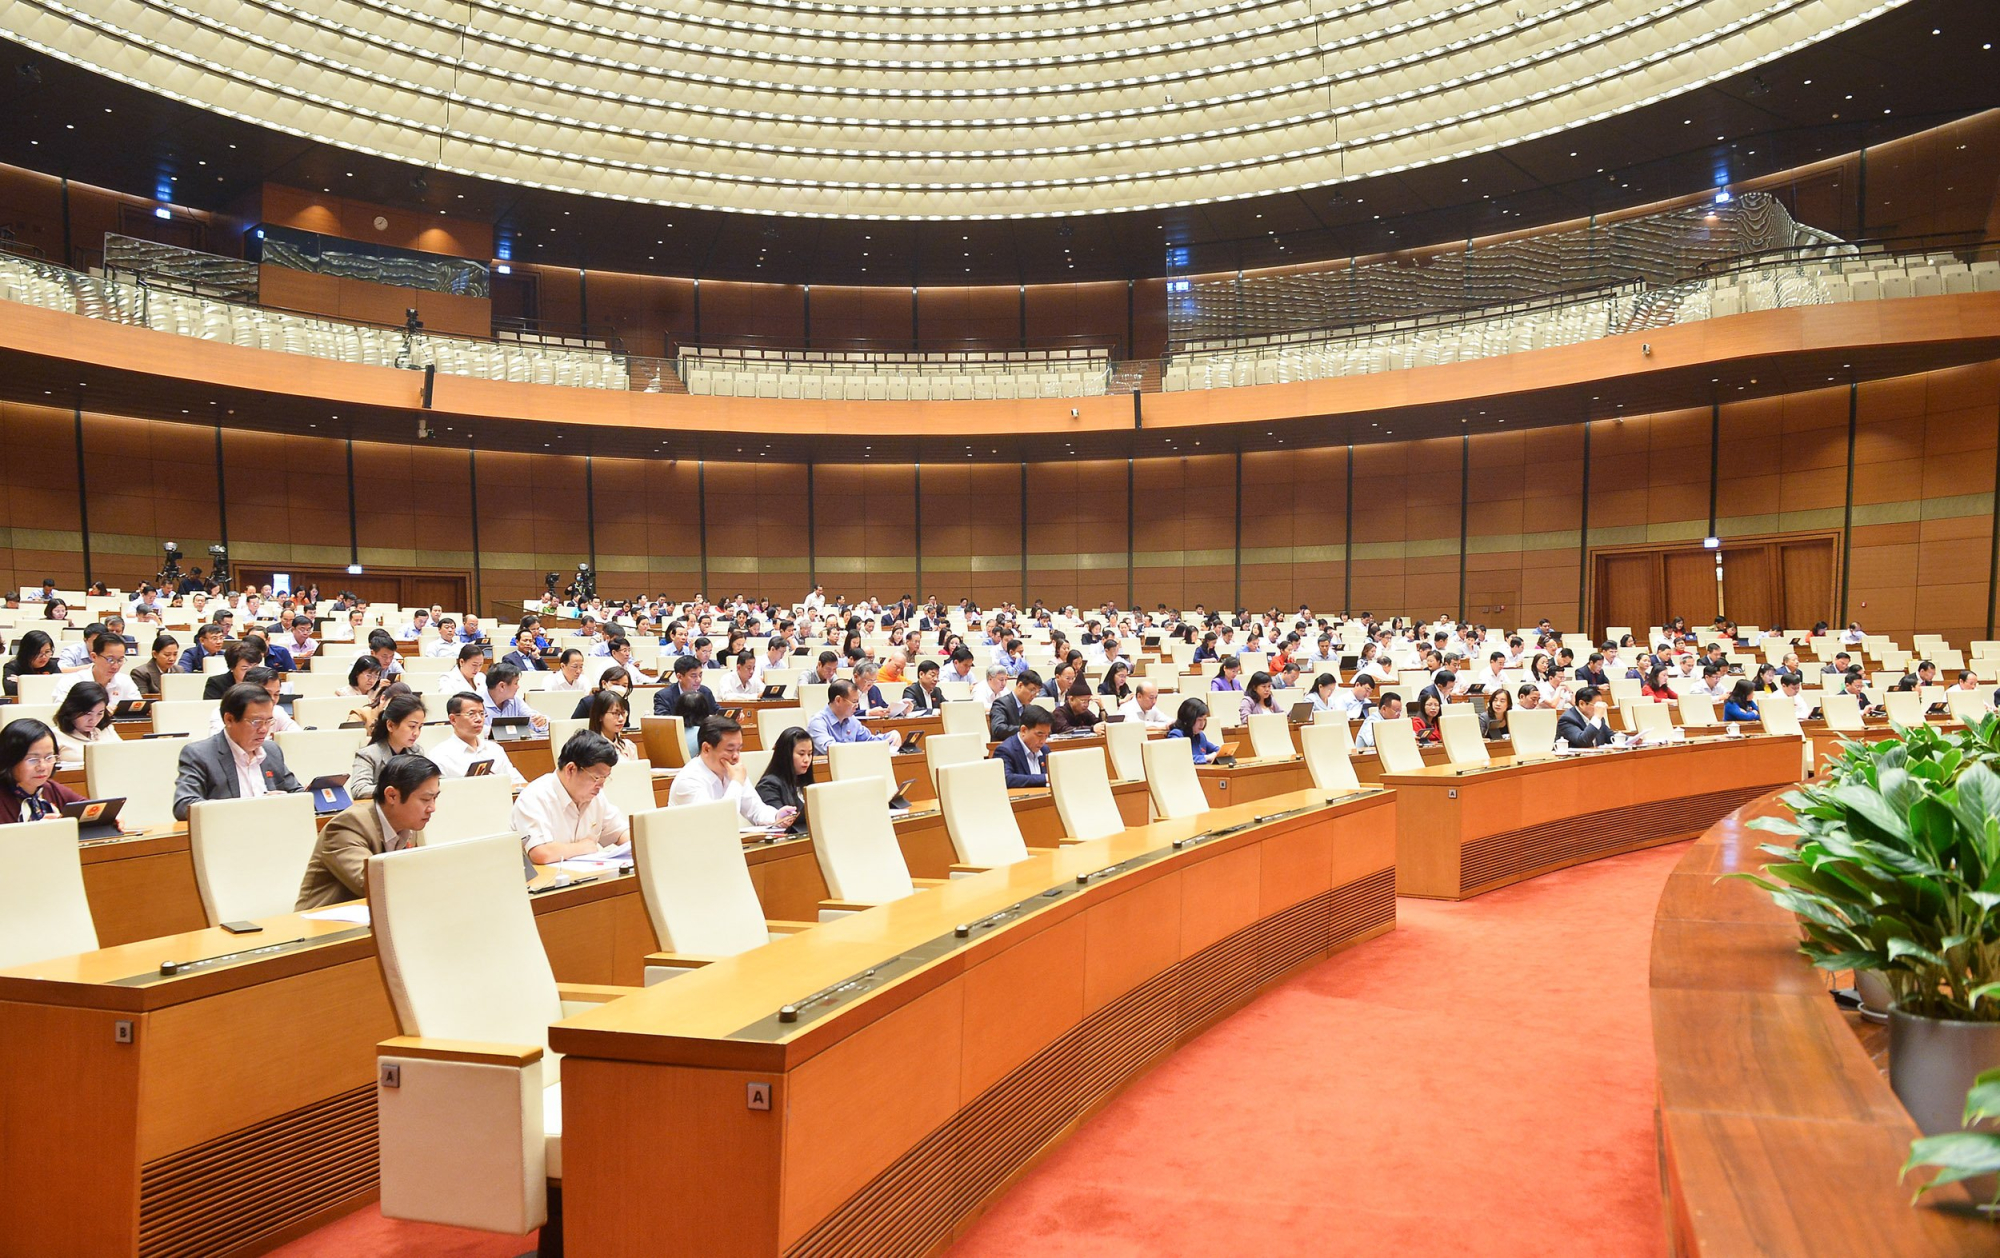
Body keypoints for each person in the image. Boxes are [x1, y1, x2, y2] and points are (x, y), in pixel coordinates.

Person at [294, 754, 441, 910]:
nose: (432, 808)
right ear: (392, 795)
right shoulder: (349, 824)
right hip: (323, 927)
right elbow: (371, 884)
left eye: (435, 798)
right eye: (425, 799)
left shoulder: (410, 824)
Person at [171, 683, 304, 820]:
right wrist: (253, 806)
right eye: (256, 722)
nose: (264, 729)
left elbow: (296, 792)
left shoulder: (271, 750)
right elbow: (184, 806)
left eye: (268, 721)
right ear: (229, 719)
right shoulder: (199, 754)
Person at [513, 731, 630, 863]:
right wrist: (583, 847)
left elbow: (620, 832)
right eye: (596, 778)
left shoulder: (595, 796)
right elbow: (541, 853)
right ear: (571, 769)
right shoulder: (534, 797)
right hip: (541, 881)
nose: (601, 785)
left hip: (583, 878)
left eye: (605, 778)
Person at [669, 716, 800, 828]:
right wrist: (736, 782)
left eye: (739, 749)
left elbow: (756, 810)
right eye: (730, 750)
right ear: (706, 749)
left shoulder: (731, 770)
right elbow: (719, 822)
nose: (736, 756)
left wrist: (777, 817)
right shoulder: (688, 780)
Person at [427, 691, 525, 785]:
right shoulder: (440, 756)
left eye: (482, 714)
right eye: (471, 714)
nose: (479, 719)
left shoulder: (495, 749)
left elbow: (517, 782)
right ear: (453, 719)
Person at [0, 717, 84, 823]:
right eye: (32, 760)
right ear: (10, 759)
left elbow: (89, 809)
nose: (43, 767)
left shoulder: (50, 788)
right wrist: (37, 831)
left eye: (49, 757)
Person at [349, 692, 427, 800]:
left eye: (420, 727)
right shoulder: (368, 755)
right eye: (412, 726)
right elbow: (359, 790)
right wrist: (398, 789)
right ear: (390, 725)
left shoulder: (417, 752)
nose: (416, 733)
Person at [806, 679, 899, 755]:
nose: (857, 706)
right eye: (854, 702)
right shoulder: (817, 722)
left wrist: (889, 737)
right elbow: (830, 749)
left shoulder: (852, 720)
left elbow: (869, 740)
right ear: (838, 700)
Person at [52, 631, 140, 706]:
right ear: (94, 657)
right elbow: (61, 711)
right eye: (110, 660)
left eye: (120, 660)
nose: (115, 666)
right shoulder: (71, 681)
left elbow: (137, 707)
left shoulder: (125, 681)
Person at [755, 726, 815, 830]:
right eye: (801, 754)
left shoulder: (805, 782)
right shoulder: (769, 786)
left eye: (809, 754)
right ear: (786, 755)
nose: (807, 759)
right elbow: (780, 824)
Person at [51, 680, 113, 769]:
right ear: (72, 709)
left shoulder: (107, 730)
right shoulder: (55, 736)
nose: (93, 720)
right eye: (87, 713)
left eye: (100, 713)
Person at [482, 663, 551, 733]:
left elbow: (532, 718)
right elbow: (475, 730)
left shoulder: (516, 700)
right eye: (516, 683)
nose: (518, 687)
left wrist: (542, 721)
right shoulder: (476, 702)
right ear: (502, 686)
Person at [995, 704, 1053, 787]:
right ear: (1024, 730)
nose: (1043, 741)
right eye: (1039, 734)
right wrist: (1045, 778)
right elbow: (1006, 778)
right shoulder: (1005, 750)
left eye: (1046, 736)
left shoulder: (1044, 749)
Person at [653, 655, 717, 721]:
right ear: (679, 677)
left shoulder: (705, 692)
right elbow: (662, 721)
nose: (698, 680)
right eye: (693, 676)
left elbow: (717, 712)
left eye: (700, 675)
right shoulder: (664, 696)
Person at [988, 670, 1044, 741]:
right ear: (1020, 685)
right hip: (1005, 748)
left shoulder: (1029, 707)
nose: (1034, 695)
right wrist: (1026, 730)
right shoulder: (1000, 704)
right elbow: (998, 728)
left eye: (1037, 692)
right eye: (1032, 690)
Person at [4, 629, 61, 697]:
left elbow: (60, 688)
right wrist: (47, 683)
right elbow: (11, 691)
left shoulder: (53, 665)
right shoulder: (13, 667)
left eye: (47, 652)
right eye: (38, 653)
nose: (44, 657)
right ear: (26, 652)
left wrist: (24, 682)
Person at [588, 689, 641, 761]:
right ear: (600, 716)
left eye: (623, 713)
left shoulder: (628, 746)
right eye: (615, 713)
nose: (621, 719)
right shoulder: (588, 748)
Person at [1165, 697, 1221, 764]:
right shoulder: (1176, 734)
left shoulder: (1200, 736)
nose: (1202, 724)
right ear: (1188, 719)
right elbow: (1181, 758)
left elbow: (1218, 750)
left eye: (1204, 719)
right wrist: (1206, 757)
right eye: (1199, 720)